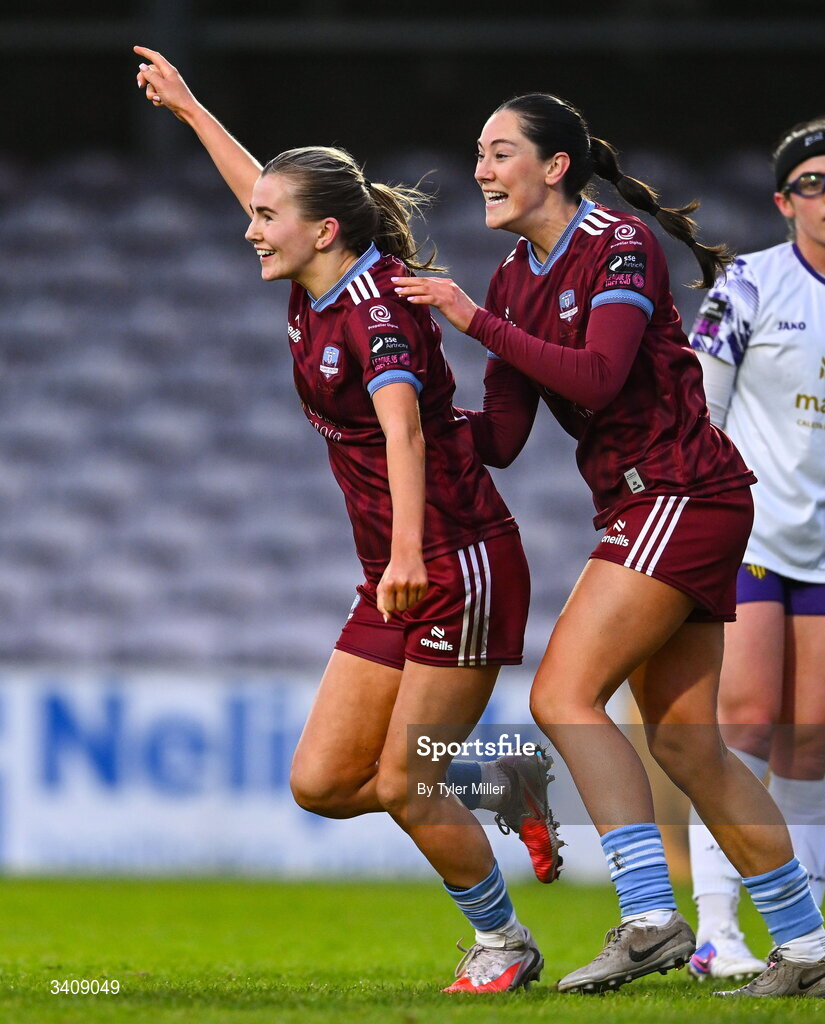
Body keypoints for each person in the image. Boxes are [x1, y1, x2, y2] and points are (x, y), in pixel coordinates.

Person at [392, 93, 825, 998]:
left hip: (684, 494)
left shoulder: (618, 244)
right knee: (688, 747)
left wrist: (474, 322)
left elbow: (600, 379)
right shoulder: (515, 278)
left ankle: (648, 917)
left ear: (554, 165)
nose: (480, 169)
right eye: (478, 154)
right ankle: (808, 952)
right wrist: (405, 407)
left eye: (498, 152)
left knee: (566, 695)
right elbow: (502, 439)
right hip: (654, 507)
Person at [133, 47, 562, 993]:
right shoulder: (317, 270)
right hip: (395, 571)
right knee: (324, 784)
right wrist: (191, 108)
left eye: (265, 221)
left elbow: (404, 433)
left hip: (454, 561)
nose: (251, 230)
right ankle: (499, 781)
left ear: (322, 230)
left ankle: (505, 944)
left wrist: (407, 553)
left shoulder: (372, 315)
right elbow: (267, 188)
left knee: (405, 787)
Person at [685, 117, 825, 980]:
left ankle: (801, 943)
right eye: (811, 182)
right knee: (740, 725)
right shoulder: (748, 284)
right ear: (783, 202)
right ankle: (716, 932)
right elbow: (701, 406)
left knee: (807, 746)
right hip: (745, 539)